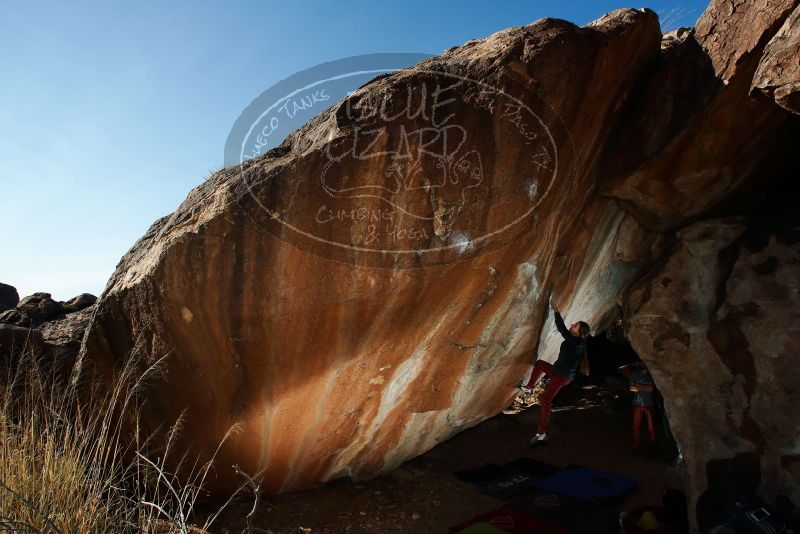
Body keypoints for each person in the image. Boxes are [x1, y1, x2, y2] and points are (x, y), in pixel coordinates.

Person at [523, 300, 590, 446]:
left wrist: (556, 311)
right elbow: (564, 330)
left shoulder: (576, 343)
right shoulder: (575, 341)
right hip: (557, 371)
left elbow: (561, 329)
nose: (572, 325)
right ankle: (529, 387)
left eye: (576, 325)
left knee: (546, 401)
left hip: (561, 376)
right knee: (540, 364)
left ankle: (541, 433)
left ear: (579, 332)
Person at [619, 361, 657, 455]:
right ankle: (636, 446)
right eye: (642, 363)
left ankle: (651, 447)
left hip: (649, 404)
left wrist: (638, 386)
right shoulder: (635, 374)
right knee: (635, 427)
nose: (643, 364)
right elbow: (632, 388)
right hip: (637, 404)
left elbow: (651, 389)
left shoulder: (652, 374)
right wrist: (645, 387)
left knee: (651, 427)